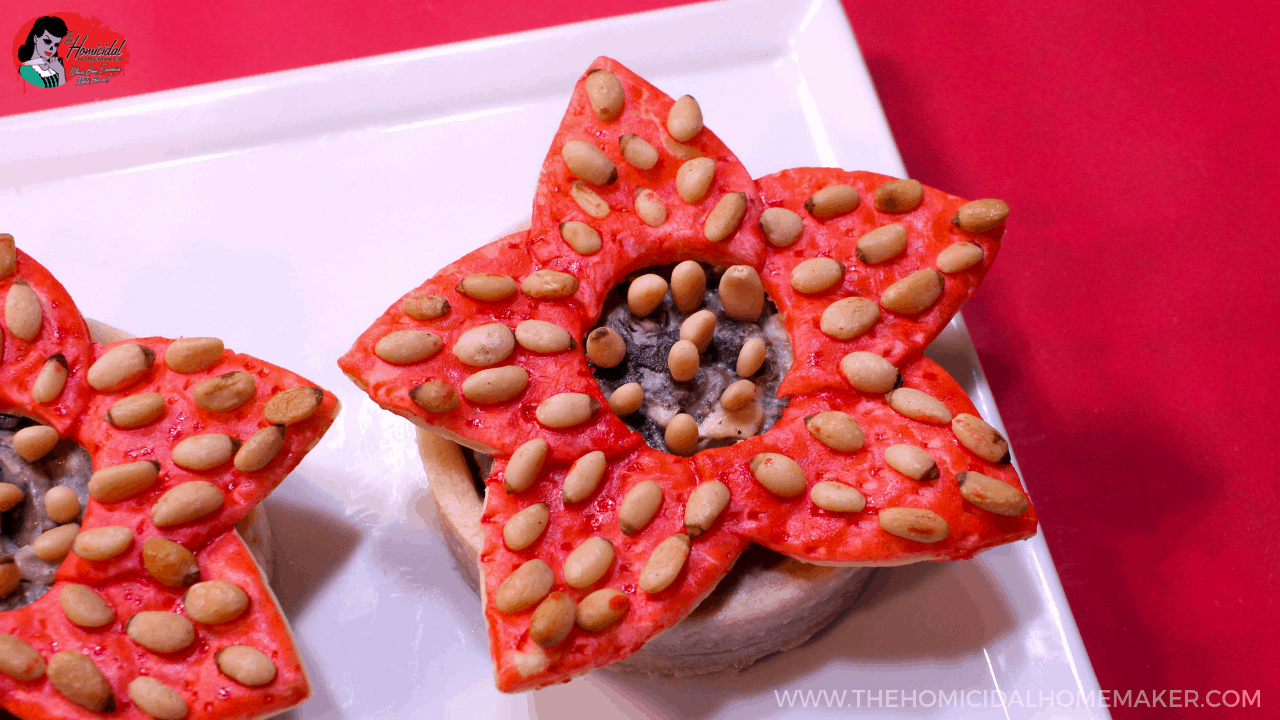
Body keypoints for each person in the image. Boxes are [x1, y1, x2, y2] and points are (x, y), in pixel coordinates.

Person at [17, 16, 69, 89]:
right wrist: (60, 72)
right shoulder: (26, 70)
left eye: (56, 45)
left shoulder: (55, 65)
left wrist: (61, 71)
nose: (52, 48)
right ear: (35, 38)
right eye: (47, 41)